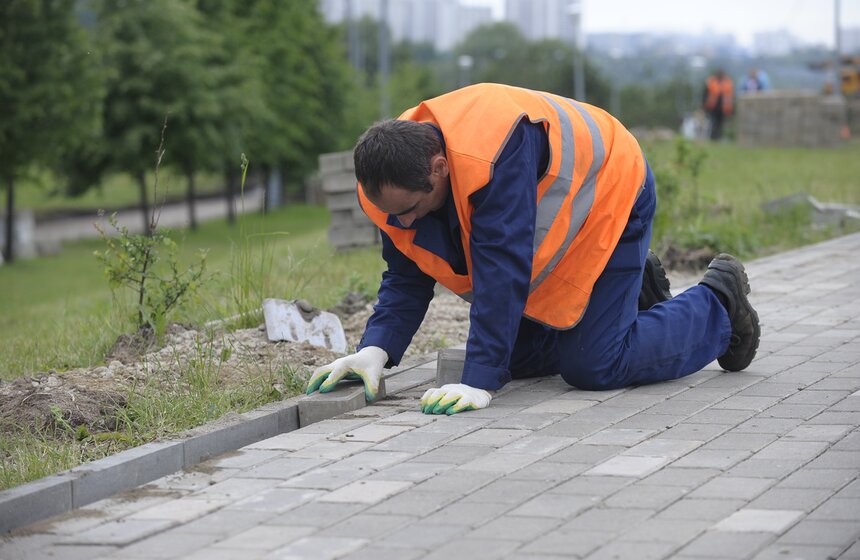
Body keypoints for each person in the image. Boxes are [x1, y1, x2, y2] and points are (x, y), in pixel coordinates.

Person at [307, 83, 760, 415]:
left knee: (594, 365)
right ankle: (624, 291)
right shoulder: (390, 183)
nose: (402, 223)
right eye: (393, 215)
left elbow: (501, 271)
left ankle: (719, 303)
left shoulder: (491, 157)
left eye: (410, 210)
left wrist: (479, 383)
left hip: (612, 190)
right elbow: (406, 274)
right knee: (514, 358)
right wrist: (374, 351)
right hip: (565, 228)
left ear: (439, 168)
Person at [703, 68, 734, 140]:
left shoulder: (728, 82)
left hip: (723, 107)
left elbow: (730, 96)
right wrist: (704, 105)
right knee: (713, 122)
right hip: (712, 106)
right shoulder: (711, 81)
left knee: (721, 123)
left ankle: (719, 137)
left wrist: (731, 109)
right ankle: (712, 137)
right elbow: (705, 93)